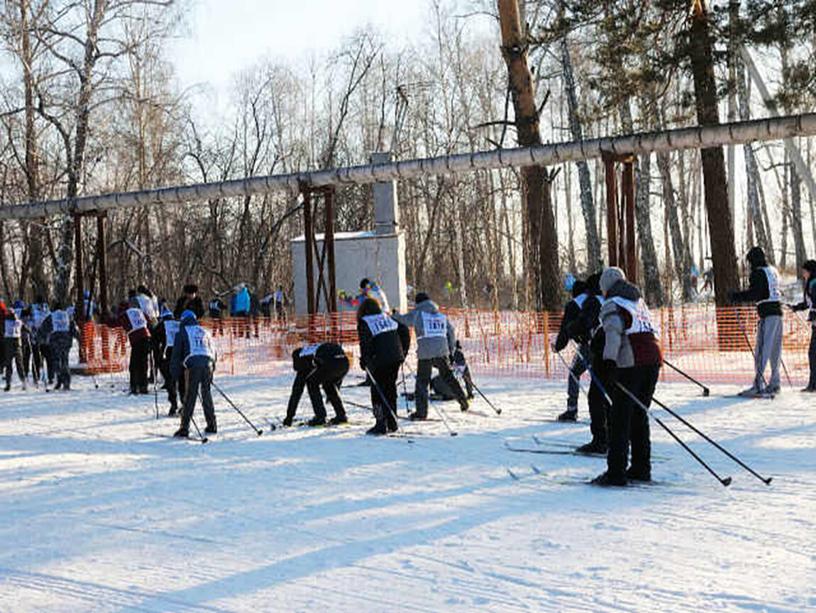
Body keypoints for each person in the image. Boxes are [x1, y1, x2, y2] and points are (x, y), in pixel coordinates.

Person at [592, 267, 662, 487]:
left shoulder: (612, 304)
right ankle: (641, 467)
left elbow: (613, 333)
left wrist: (609, 363)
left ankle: (616, 472)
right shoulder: (638, 302)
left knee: (620, 417)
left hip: (631, 361)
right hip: (653, 359)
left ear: (606, 287)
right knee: (639, 415)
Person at [392, 292, 469, 420]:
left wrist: (395, 314)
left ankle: (421, 413)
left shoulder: (417, 314)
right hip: (442, 351)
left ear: (418, 303)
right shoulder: (440, 315)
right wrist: (450, 350)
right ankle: (463, 400)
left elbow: (404, 320)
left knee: (422, 382)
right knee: (448, 377)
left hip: (426, 353)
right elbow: (451, 332)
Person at [565, 271, 610, 455]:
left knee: (597, 396)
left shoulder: (594, 301)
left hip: (601, 351)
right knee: (609, 395)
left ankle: (601, 440)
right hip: (621, 353)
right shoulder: (616, 299)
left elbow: (583, 322)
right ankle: (616, 438)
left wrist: (571, 330)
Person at [729, 246, 783, 396]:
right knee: (774, 351)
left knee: (761, 350)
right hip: (778, 313)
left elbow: (755, 293)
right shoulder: (772, 270)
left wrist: (736, 296)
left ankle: (758, 385)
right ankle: (775, 383)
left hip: (767, 314)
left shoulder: (757, 273)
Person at [357, 298, 407, 435]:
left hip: (379, 359)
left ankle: (380, 423)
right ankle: (392, 421)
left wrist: (365, 361)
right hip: (395, 358)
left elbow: (365, 343)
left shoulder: (365, 322)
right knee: (390, 388)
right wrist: (403, 351)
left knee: (377, 390)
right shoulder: (388, 318)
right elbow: (404, 330)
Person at [170, 310, 217, 438]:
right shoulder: (204, 331)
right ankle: (212, 424)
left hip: (193, 365)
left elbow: (176, 354)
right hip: (208, 363)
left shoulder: (182, 332)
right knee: (206, 394)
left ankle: (184, 427)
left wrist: (174, 374)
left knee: (190, 395)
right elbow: (213, 350)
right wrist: (213, 369)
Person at [284, 342, 349, 427]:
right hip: (344, 363)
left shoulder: (302, 357)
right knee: (328, 384)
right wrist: (334, 391)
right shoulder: (312, 350)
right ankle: (341, 415)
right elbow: (335, 374)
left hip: (331, 362)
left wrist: (289, 417)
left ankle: (320, 417)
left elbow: (297, 391)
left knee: (312, 383)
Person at [554, 279, 590, 422]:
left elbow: (565, 329)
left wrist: (558, 346)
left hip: (588, 345)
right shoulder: (597, 299)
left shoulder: (574, 304)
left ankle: (572, 409)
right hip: (604, 344)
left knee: (574, 373)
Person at [37, 303, 80, 391]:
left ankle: (60, 377)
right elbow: (73, 328)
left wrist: (39, 338)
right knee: (65, 361)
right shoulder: (67, 316)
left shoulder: (51, 316)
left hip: (56, 342)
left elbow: (43, 328)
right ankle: (66, 382)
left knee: (56, 361)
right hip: (66, 342)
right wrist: (79, 337)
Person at [789, 259, 816, 392]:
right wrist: (795, 307)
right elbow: (807, 303)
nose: (803, 273)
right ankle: (813, 384)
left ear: (809, 271)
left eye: (804, 271)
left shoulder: (814, 283)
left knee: (812, 354)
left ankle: (813, 385)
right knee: (812, 353)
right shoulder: (810, 283)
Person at [118, 298, 151, 394]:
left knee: (134, 365)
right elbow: (148, 320)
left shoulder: (124, 314)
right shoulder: (138, 310)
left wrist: (105, 319)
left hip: (137, 339)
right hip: (147, 336)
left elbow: (116, 323)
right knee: (143, 363)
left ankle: (134, 387)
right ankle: (143, 386)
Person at [153, 306, 183, 415]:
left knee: (170, 382)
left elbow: (155, 344)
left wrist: (156, 361)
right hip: (181, 356)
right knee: (181, 381)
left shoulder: (160, 326)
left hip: (167, 357)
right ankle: (184, 404)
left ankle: (173, 404)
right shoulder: (178, 324)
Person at [3, 308, 28, 391]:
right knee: (19, 364)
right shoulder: (19, 322)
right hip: (17, 343)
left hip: (9, 343)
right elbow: (26, 329)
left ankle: (8, 383)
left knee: (8, 364)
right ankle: (23, 382)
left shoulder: (5, 322)